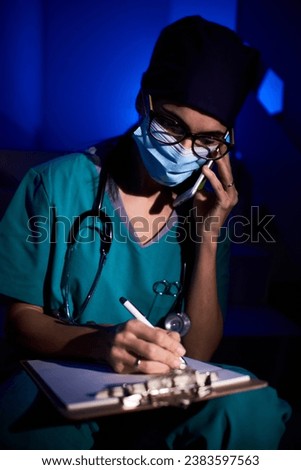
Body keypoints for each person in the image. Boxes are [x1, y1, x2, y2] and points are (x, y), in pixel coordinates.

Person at [0, 15, 291, 450]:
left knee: (253, 407)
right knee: (23, 426)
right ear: (143, 99)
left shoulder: (208, 210)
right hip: (67, 380)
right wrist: (99, 344)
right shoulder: (55, 184)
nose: (185, 150)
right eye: (173, 125)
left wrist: (208, 236)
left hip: (164, 395)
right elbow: (19, 322)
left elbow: (200, 351)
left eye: (208, 139)